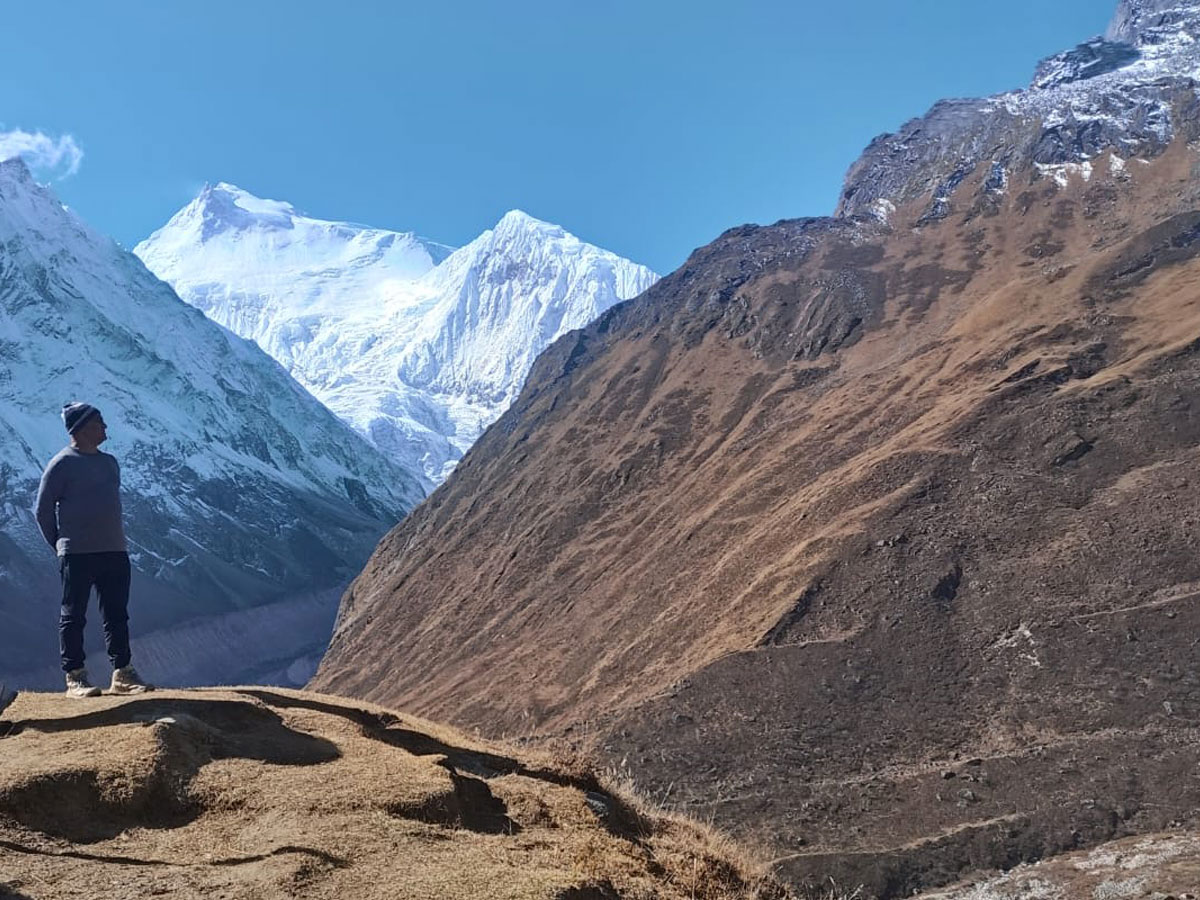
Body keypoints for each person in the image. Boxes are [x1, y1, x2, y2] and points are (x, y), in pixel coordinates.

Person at [34, 402, 153, 698]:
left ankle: (122, 674)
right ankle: (75, 676)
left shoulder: (110, 462)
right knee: (74, 615)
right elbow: (42, 509)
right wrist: (60, 545)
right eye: (100, 423)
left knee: (117, 614)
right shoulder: (61, 464)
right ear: (84, 427)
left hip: (114, 550)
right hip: (77, 554)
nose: (105, 428)